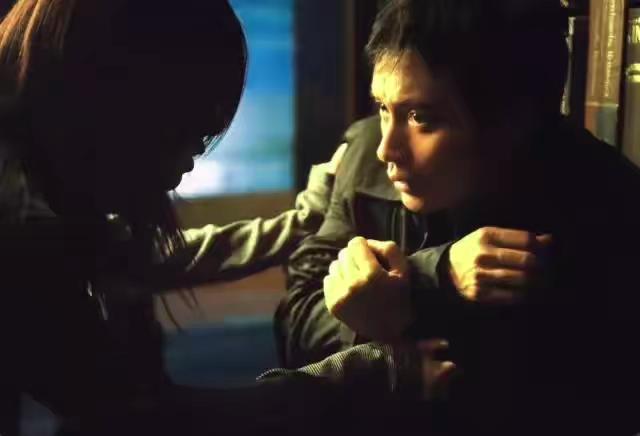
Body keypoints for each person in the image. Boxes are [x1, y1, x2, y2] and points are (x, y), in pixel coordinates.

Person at [0, 1, 445, 435]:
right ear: (118, 102)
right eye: (186, 132)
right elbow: (137, 415)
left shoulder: (41, 174)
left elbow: (141, 253)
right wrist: (372, 373)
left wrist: (305, 221)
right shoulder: (21, 227)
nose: (188, 164)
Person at [276, 0, 640, 434]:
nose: (387, 149)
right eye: (383, 107)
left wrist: (402, 310)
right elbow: (294, 322)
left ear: (512, 124)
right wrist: (435, 275)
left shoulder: (606, 207)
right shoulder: (364, 155)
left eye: (420, 117)